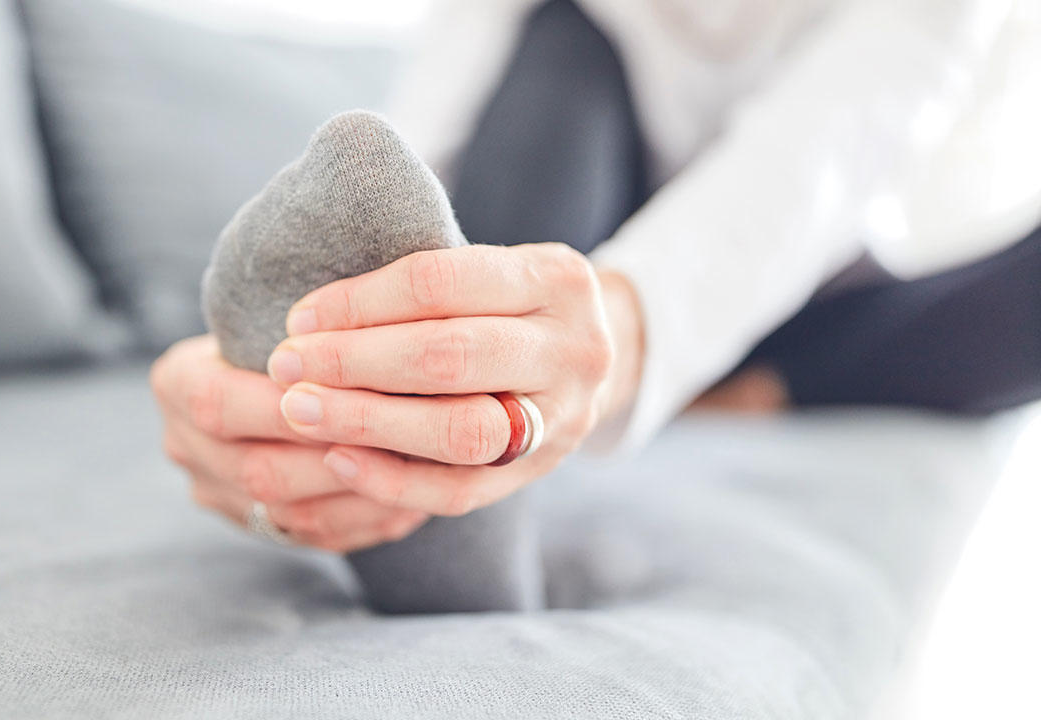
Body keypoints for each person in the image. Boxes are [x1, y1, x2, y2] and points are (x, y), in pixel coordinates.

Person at [152, 0, 1041, 560]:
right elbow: (418, 142)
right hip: (575, 230)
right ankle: (521, 371)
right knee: (561, 42)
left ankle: (732, 389)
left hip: (811, 284)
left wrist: (621, 336)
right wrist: (319, 320)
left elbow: (814, 167)